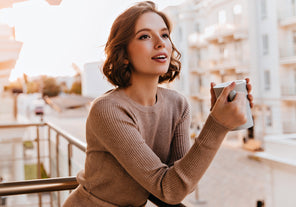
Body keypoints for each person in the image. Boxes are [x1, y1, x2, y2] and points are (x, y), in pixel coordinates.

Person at [63, 1, 253, 206]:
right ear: (124, 54)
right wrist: (217, 125)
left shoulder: (178, 104)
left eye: (164, 35)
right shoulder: (107, 109)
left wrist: (218, 116)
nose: (160, 43)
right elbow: (170, 190)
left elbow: (183, 182)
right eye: (145, 36)